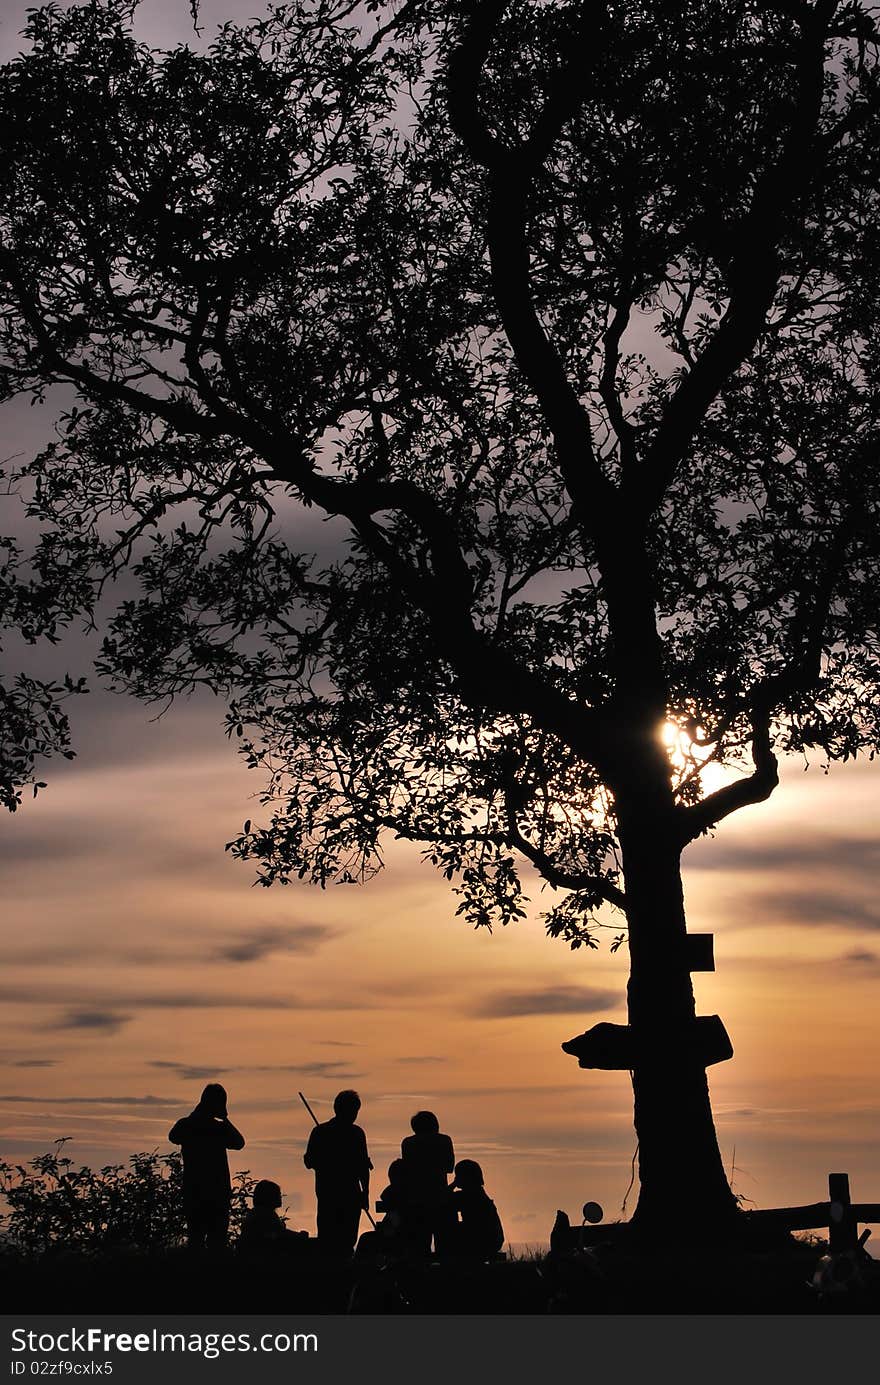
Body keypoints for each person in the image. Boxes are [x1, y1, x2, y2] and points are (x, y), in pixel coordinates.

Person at [168, 1082, 245, 1251]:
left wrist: (197, 1115)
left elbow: (173, 1136)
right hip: (217, 1193)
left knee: (196, 1240)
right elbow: (239, 1142)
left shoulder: (187, 1125)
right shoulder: (217, 1129)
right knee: (216, 1242)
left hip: (194, 1191)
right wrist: (225, 1119)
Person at [303, 1089, 372, 1256]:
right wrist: (365, 1193)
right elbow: (363, 1167)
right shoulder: (356, 1133)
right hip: (347, 1195)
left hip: (329, 1194)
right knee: (345, 1240)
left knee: (329, 1239)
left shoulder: (320, 1132)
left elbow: (308, 1161)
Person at [400, 1110, 455, 1256]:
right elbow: (450, 1167)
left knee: (420, 1246)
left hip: (416, 1200)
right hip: (440, 1198)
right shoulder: (444, 1140)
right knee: (444, 1245)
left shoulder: (408, 1143)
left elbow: (407, 1170)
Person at [451, 1159, 505, 1261]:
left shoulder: (469, 1195)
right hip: (493, 1240)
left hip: (484, 1241)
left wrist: (453, 1184)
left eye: (458, 1175)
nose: (456, 1178)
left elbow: (443, 1198)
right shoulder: (478, 1193)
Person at [239, 1179, 309, 1256]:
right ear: (269, 1196)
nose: (280, 1197)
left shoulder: (258, 1213)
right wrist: (300, 1236)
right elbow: (281, 1233)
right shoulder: (264, 1214)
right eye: (278, 1194)